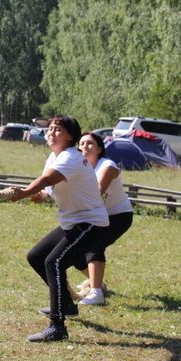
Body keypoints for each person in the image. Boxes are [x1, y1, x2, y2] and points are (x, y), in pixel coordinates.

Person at [9, 115, 109, 342]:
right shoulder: (55, 157)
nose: (51, 132)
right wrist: (38, 195)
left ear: (71, 136)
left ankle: (57, 326)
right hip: (73, 222)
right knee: (36, 257)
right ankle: (66, 304)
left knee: (53, 262)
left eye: (57, 129)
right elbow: (49, 188)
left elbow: (48, 178)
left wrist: (23, 192)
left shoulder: (71, 157)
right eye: (50, 129)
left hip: (90, 222)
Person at [74, 131, 134, 306]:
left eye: (90, 143)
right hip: (94, 216)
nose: (85, 146)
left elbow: (98, 191)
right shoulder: (80, 168)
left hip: (118, 216)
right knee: (76, 254)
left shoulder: (107, 165)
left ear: (99, 149)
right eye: (82, 143)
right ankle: (98, 284)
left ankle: (96, 293)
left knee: (94, 245)